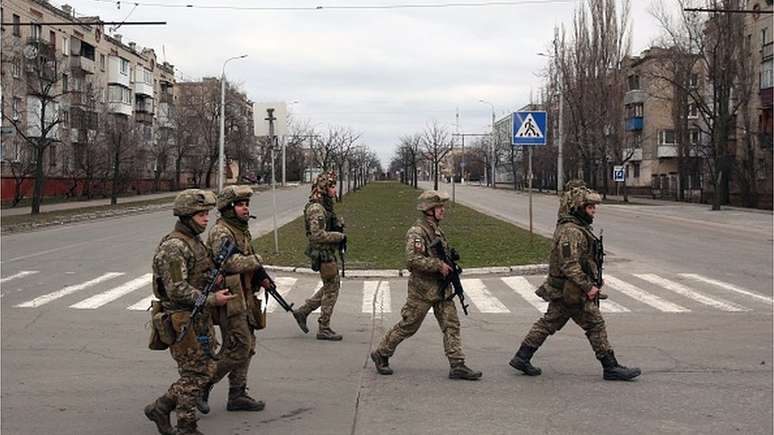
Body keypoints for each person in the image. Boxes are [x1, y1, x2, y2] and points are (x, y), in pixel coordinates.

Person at [509, 186, 641, 381]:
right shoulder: (571, 231)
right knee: (595, 324)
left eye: (594, 207)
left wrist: (595, 276)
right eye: (590, 207)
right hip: (570, 291)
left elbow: (582, 260)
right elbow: (569, 265)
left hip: (567, 290)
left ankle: (522, 356)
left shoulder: (577, 228)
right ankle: (610, 367)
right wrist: (589, 286)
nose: (594, 211)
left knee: (549, 323)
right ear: (578, 208)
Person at [144, 189, 235, 435]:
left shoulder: (194, 241)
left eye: (207, 213)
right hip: (182, 319)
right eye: (201, 214)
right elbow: (177, 289)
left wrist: (212, 281)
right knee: (194, 373)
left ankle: (161, 408)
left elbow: (198, 274)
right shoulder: (174, 246)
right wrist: (211, 298)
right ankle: (186, 426)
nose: (207, 219)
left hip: (198, 317)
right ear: (186, 216)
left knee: (204, 370)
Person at [370, 190, 482, 380]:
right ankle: (381, 353)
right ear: (428, 209)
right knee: (409, 326)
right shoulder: (417, 232)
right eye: (439, 207)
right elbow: (412, 260)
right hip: (422, 290)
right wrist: (438, 265)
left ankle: (457, 364)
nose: (442, 210)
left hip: (441, 289)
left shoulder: (436, 230)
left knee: (451, 324)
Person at [197, 186, 269, 415]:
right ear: (228, 208)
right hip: (229, 298)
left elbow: (246, 257)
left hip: (245, 295)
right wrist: (256, 260)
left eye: (246, 203)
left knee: (247, 347)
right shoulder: (221, 231)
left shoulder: (240, 229)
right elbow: (229, 263)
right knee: (239, 346)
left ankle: (237, 394)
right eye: (240, 204)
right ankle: (202, 385)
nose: (245, 208)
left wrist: (262, 276)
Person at [293, 171, 346, 341]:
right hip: (322, 254)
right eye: (331, 186)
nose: (334, 190)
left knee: (331, 286)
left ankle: (303, 311)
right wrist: (339, 236)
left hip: (327, 252)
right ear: (323, 188)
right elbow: (317, 235)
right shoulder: (316, 208)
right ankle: (323, 327)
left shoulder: (325, 205)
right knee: (332, 288)